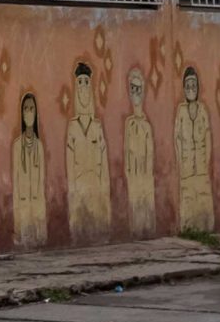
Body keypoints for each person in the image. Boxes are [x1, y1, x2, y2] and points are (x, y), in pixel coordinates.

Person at [64, 61, 111, 244]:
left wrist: (104, 191)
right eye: (80, 82)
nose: (83, 87)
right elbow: (69, 163)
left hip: (96, 192)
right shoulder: (72, 127)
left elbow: (104, 165)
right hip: (78, 194)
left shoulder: (97, 127)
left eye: (86, 82)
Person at [173, 66, 214, 233]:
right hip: (187, 167)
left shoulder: (202, 110)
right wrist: (180, 162)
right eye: (188, 86)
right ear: (184, 88)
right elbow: (177, 138)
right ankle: (189, 228)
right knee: (188, 198)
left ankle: (206, 227)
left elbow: (208, 136)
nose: (191, 89)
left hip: (201, 166)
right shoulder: (181, 111)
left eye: (194, 85)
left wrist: (206, 160)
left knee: (204, 196)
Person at [122, 66, 157, 236]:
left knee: (147, 213)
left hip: (146, 177)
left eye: (138, 89)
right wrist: (129, 173)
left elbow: (150, 154)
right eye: (133, 89)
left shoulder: (147, 126)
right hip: (133, 178)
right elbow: (126, 152)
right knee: (135, 212)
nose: (135, 93)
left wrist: (148, 175)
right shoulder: (129, 124)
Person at [11, 92, 47, 248]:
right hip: (23, 203)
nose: (29, 113)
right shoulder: (17, 146)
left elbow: (42, 180)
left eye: (32, 109)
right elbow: (16, 180)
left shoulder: (39, 146)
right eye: (26, 109)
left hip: (37, 203)